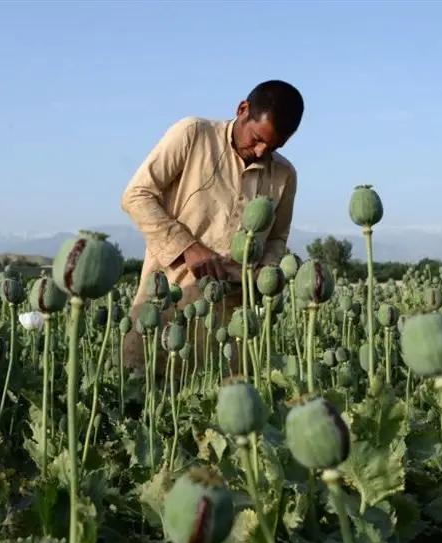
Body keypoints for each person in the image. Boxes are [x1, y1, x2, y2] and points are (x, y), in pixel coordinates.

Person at [120, 80, 304, 375]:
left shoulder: (284, 175)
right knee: (145, 389)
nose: (260, 152)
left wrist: (265, 272)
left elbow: (277, 237)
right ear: (243, 109)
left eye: (273, 147)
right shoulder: (194, 135)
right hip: (167, 298)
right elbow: (137, 196)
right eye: (257, 139)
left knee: (217, 393)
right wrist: (188, 247)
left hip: (231, 320)